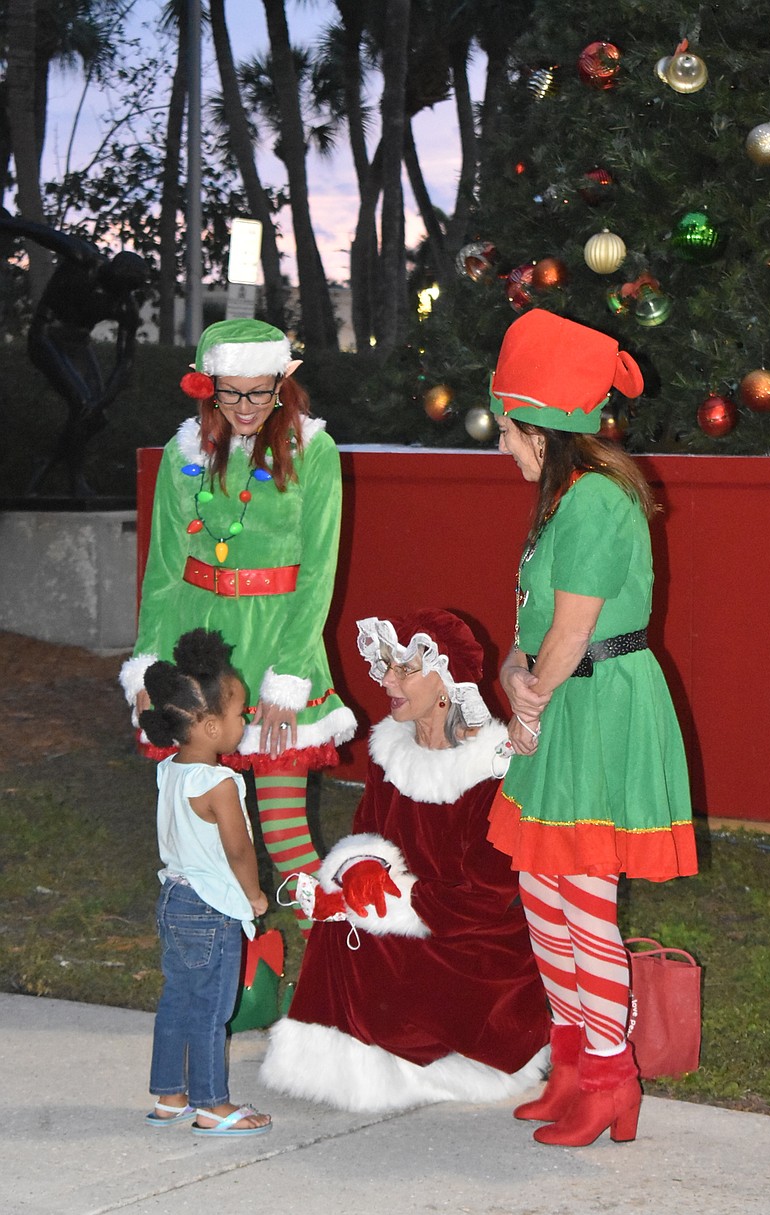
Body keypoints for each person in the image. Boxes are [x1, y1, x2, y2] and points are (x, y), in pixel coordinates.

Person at [487, 308, 698, 1147]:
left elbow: (574, 634)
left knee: (582, 896)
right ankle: (572, 1060)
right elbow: (534, 621)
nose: (501, 445)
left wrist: (529, 700)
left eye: (507, 430)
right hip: (562, 699)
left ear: (542, 429)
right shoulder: (562, 500)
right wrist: (512, 673)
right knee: (543, 893)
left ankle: (612, 1076)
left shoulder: (597, 504)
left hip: (600, 704)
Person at [259, 609, 551, 1113]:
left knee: (370, 931)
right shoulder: (389, 751)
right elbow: (364, 836)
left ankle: (441, 1061)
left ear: (445, 681)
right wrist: (357, 871)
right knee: (340, 924)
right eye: (384, 666)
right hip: (415, 909)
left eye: (403, 669)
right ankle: (350, 1064)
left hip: (476, 940)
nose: (386, 680)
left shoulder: (495, 768)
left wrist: (394, 900)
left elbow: (489, 896)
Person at [120, 318, 356, 928]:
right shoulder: (184, 453)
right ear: (208, 386)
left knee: (285, 836)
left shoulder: (314, 450)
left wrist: (290, 677)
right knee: (198, 832)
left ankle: (336, 965)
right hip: (198, 649)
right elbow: (165, 569)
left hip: (277, 641)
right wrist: (148, 664)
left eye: (261, 390)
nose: (248, 406)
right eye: (232, 392)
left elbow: (318, 571)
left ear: (283, 382)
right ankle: (224, 961)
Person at [141, 627, 272, 1137]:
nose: (248, 719)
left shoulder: (171, 770)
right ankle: (213, 1104)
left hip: (173, 899)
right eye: (241, 712)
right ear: (211, 726)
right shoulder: (219, 783)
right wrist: (254, 896)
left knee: (177, 999)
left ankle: (170, 1095)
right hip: (211, 908)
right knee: (212, 1011)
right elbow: (239, 849)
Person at [0, 209, 146, 496]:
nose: (116, 297)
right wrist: (7, 224)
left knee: (95, 415)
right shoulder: (84, 258)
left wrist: (104, 399)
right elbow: (41, 234)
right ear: (110, 273)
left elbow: (125, 362)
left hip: (78, 345)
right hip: (47, 335)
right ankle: (74, 477)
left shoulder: (125, 305)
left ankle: (50, 462)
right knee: (82, 404)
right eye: (116, 288)